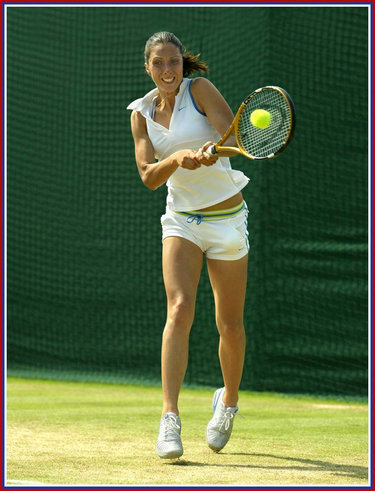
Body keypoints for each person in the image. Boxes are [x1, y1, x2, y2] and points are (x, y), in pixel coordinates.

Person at [127, 31, 250, 459]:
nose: (167, 70)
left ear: (184, 63)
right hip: (181, 220)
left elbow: (235, 136)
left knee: (229, 325)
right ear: (147, 67)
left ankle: (228, 401)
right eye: (158, 63)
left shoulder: (199, 89)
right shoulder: (140, 113)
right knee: (179, 309)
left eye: (173, 61)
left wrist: (215, 150)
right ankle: (169, 418)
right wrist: (178, 159)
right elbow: (148, 176)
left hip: (226, 220)